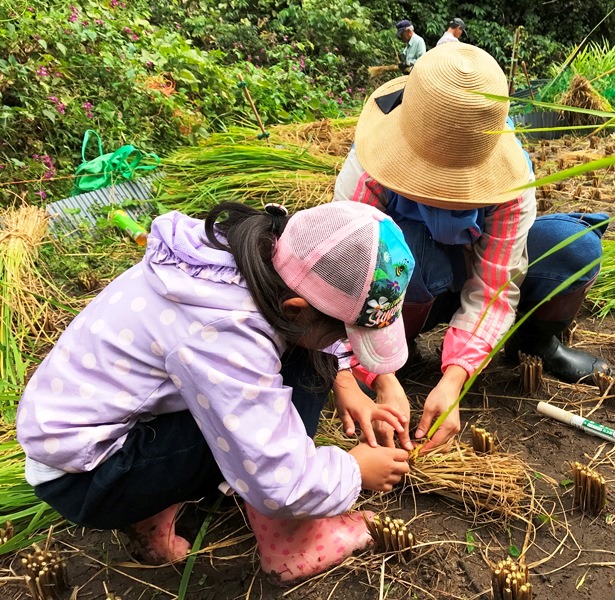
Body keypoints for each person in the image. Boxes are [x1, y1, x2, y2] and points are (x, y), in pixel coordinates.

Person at [16, 200, 416, 583]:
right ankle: (294, 544)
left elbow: (308, 331)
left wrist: (347, 383)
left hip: (97, 442)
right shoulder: (225, 331)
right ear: (295, 308)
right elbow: (275, 476)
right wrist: (354, 470)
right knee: (301, 366)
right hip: (90, 480)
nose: (343, 344)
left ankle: (149, 513)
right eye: (342, 334)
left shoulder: (249, 255)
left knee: (305, 353)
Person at [333, 43, 611, 452]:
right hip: (411, 285)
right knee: (405, 255)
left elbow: (496, 288)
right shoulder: (370, 166)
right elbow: (347, 276)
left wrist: (455, 379)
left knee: (574, 248)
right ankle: (395, 351)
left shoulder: (511, 177)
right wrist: (380, 374)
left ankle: (536, 344)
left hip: (468, 270)